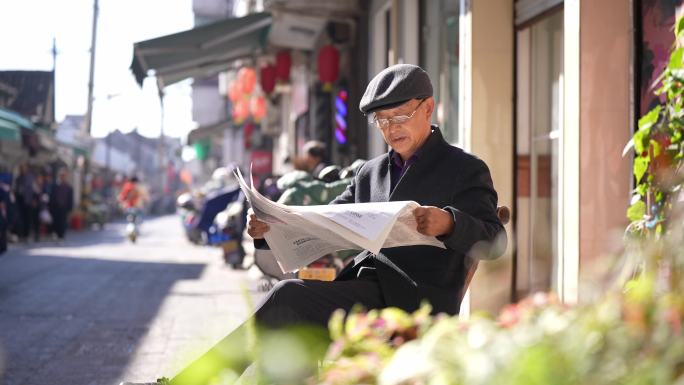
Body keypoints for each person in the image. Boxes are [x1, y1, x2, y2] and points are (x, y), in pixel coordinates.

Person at [122, 64, 506, 385]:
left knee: (289, 300)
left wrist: (449, 222)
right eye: (381, 121)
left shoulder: (464, 169)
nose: (391, 129)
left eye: (400, 116)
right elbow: (323, 222)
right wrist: (272, 229)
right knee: (289, 314)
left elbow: (496, 240)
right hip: (364, 291)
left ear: (429, 109)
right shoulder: (370, 173)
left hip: (416, 300)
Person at [49, 170, 74, 240]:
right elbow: (52, 197)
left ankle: (61, 235)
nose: (62, 177)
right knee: (56, 221)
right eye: (61, 176)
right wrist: (51, 206)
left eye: (64, 176)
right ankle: (56, 233)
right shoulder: (55, 186)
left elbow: (70, 199)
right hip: (56, 207)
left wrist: (70, 208)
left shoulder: (68, 187)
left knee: (63, 222)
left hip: (64, 207)